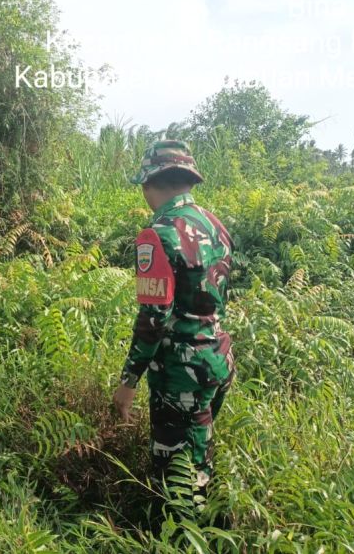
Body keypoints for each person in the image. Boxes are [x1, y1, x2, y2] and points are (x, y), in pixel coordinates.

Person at [112, 140, 234, 505]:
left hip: (181, 373)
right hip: (218, 359)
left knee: (176, 477)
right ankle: (209, 527)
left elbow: (155, 316)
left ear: (151, 184)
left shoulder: (159, 233)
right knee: (199, 458)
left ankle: (183, 537)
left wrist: (128, 382)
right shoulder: (215, 225)